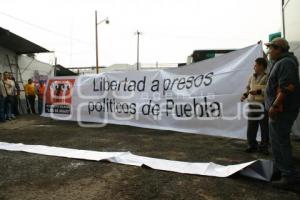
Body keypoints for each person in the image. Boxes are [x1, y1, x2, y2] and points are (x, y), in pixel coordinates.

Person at [265, 38, 300, 188]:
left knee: (281, 142)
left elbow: (287, 86)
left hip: (281, 110)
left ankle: (288, 175)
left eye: (271, 48)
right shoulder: (279, 62)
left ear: (278, 49)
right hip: (279, 110)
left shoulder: (286, 63)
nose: (268, 51)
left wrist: (275, 105)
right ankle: (281, 170)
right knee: (276, 141)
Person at [241, 58, 269, 154]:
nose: (254, 67)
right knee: (251, 127)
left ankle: (264, 147)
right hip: (252, 105)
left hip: (263, 105)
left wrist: (258, 91)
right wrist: (244, 95)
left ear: (261, 66)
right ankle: (252, 145)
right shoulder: (252, 77)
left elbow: (269, 90)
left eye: (256, 65)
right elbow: (248, 88)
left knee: (264, 128)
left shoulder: (268, 77)